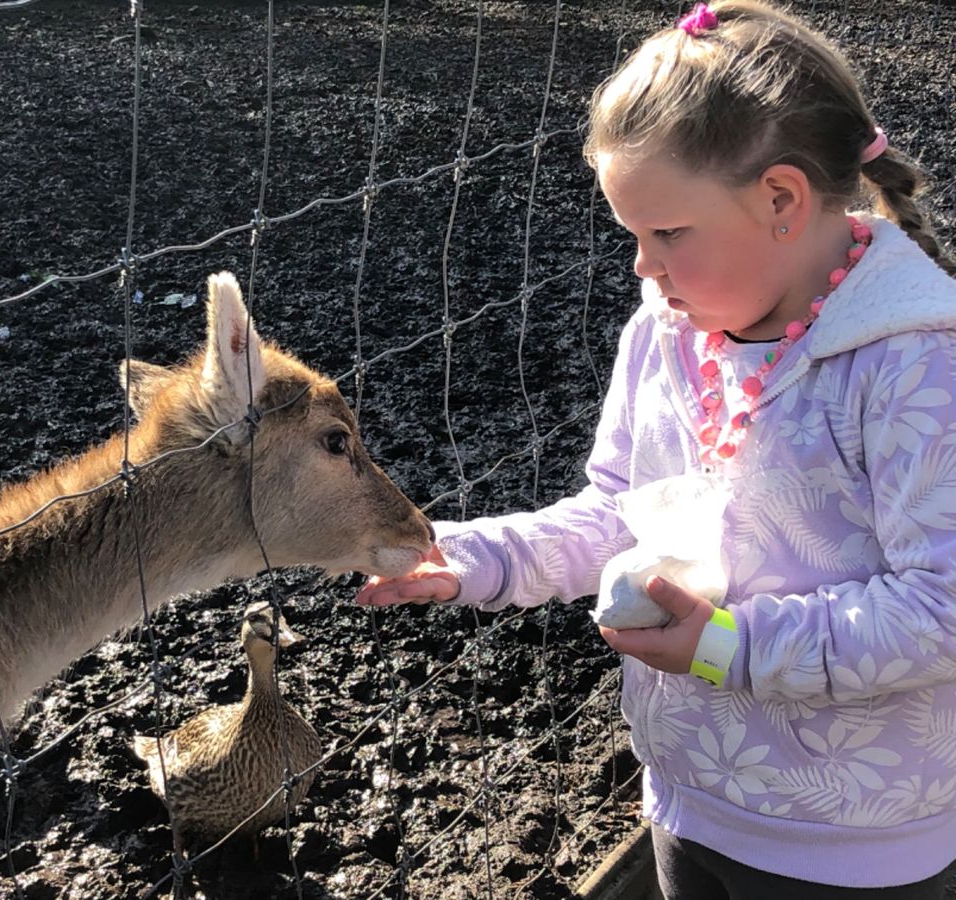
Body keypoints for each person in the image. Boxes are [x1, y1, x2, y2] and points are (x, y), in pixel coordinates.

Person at [356, 2, 956, 897]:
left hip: (854, 840)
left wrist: (726, 647)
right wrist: (479, 558)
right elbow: (619, 515)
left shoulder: (913, 364)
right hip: (689, 798)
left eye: (667, 234)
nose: (642, 266)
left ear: (783, 199)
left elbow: (939, 609)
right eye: (632, 235)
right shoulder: (667, 334)